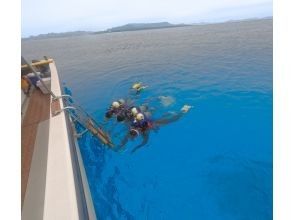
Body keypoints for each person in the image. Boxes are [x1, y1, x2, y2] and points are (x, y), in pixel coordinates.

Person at [119, 104, 192, 153]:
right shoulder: (134, 125)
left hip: (151, 122)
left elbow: (144, 142)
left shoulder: (144, 132)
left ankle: (183, 110)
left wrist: (136, 148)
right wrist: (123, 145)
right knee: (167, 119)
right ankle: (168, 112)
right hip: (145, 117)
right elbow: (127, 137)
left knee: (171, 120)